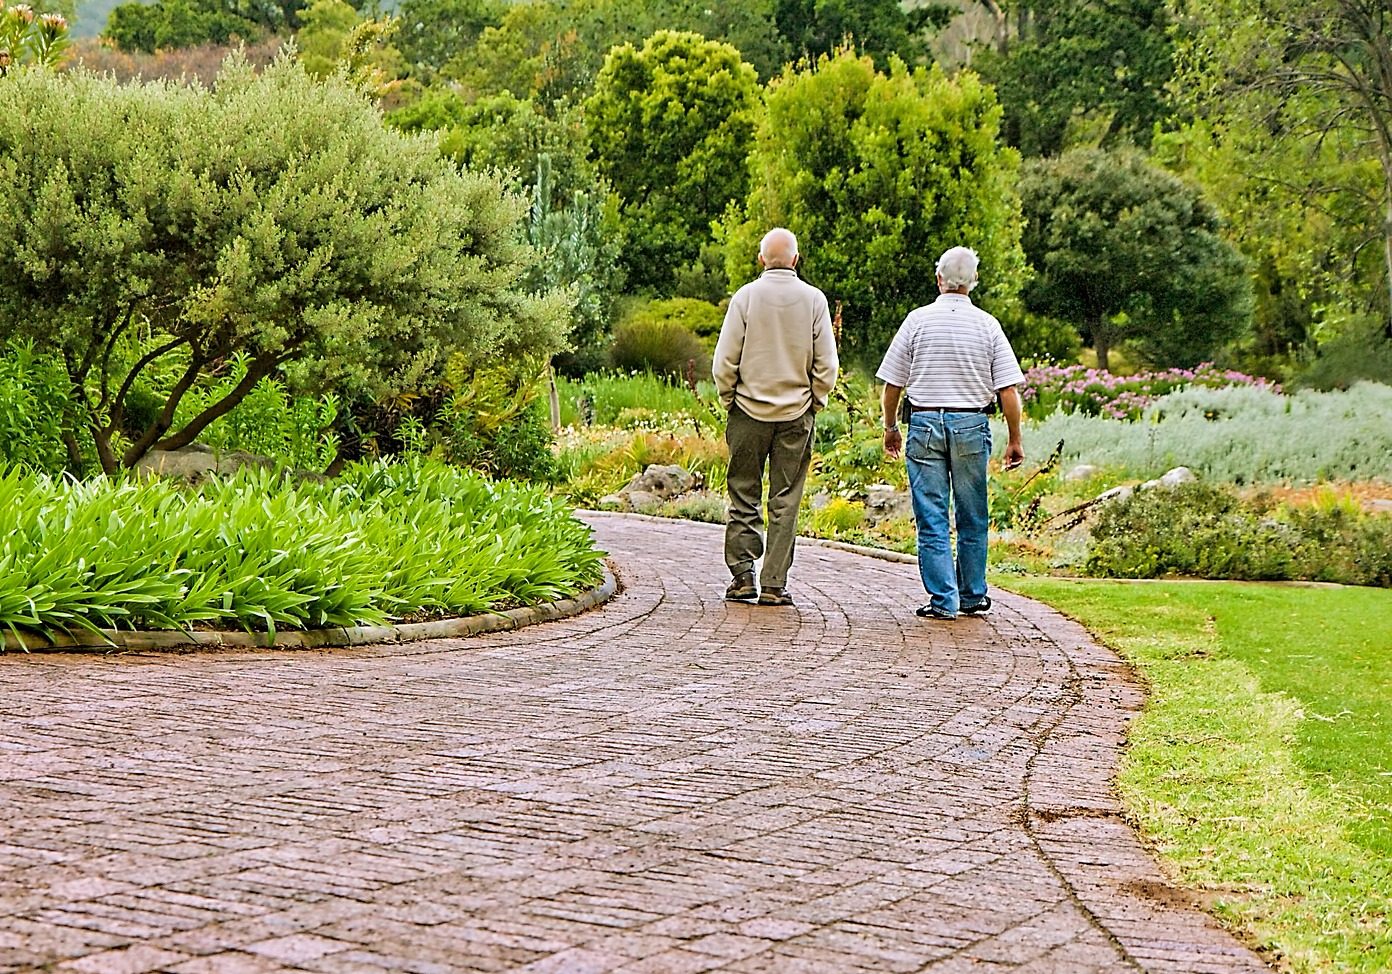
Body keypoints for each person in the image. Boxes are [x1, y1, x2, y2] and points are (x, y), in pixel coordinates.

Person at [876, 246, 1025, 620]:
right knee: (973, 513)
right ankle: (973, 594)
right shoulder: (987, 325)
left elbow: (893, 383)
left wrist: (891, 426)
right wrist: (1014, 439)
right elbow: (1008, 390)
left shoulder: (917, 321)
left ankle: (944, 599)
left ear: (939, 278)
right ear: (973, 281)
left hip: (925, 422)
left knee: (932, 516)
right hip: (971, 423)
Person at [712, 227, 839, 606]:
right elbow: (826, 365)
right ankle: (774, 583)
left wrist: (729, 399)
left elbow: (724, 361)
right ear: (796, 260)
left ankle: (742, 575)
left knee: (743, 492)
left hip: (748, 411)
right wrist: (815, 400)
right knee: (786, 499)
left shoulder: (746, 298)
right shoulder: (814, 300)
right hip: (796, 413)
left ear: (760, 259)